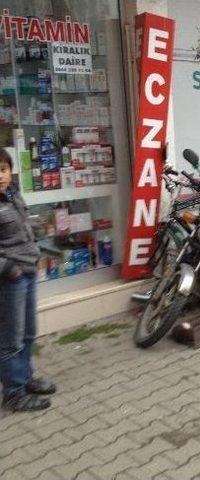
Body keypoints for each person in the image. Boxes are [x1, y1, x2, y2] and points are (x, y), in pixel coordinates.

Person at [0, 148, 56, 412]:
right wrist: (8, 267)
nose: (0, 176)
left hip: (28, 269)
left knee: (28, 333)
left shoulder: (12, 195)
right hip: (10, 277)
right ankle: (13, 394)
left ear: (10, 171)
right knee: (11, 339)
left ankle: (25, 377)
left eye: (3, 169)